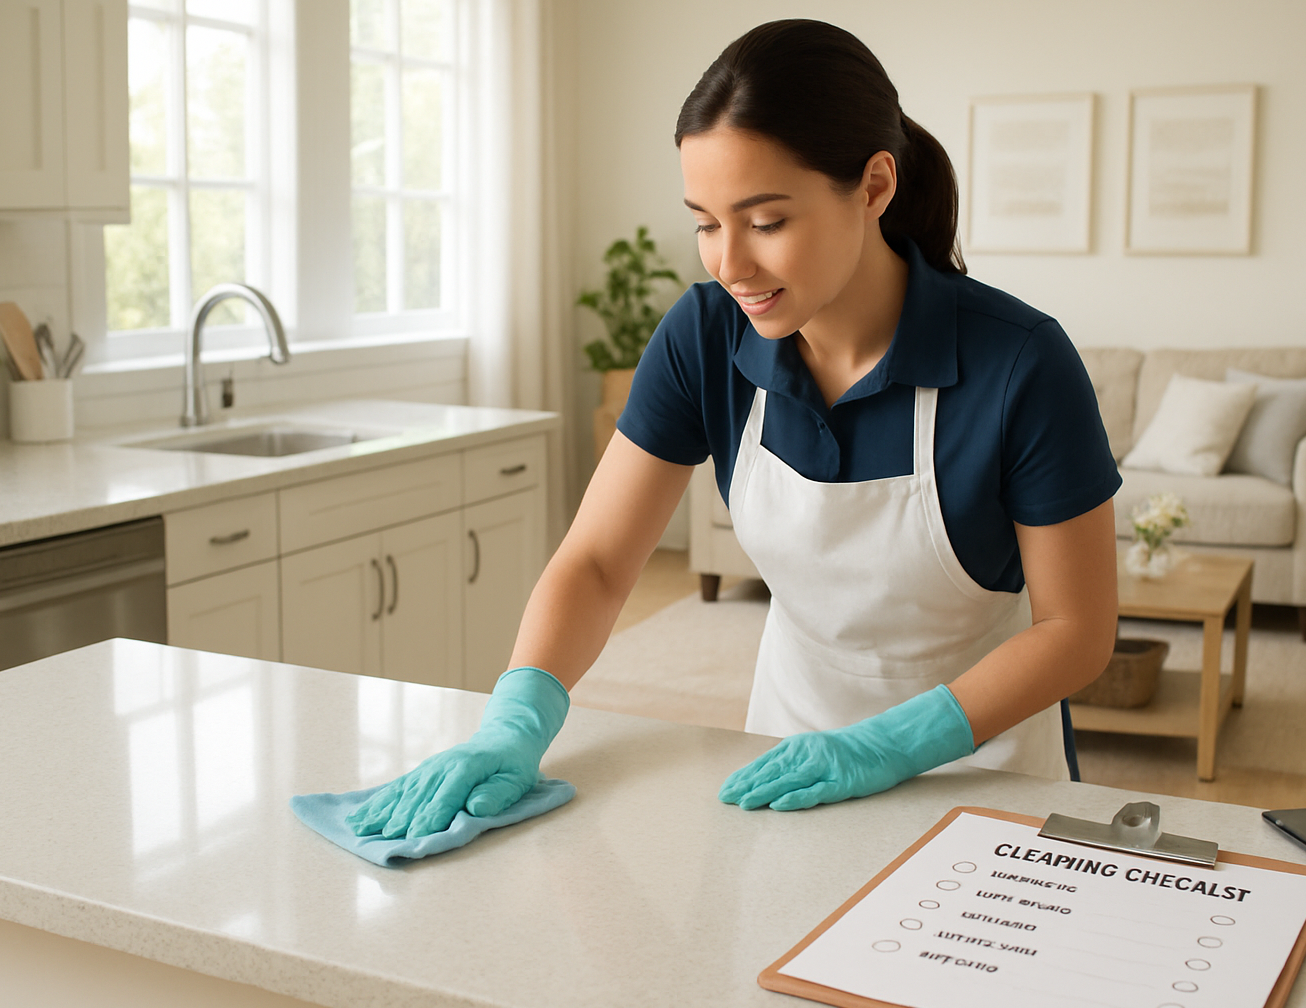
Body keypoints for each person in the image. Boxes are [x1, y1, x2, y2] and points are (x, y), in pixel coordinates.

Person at [346, 19, 1121, 840]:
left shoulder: (1020, 363)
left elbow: (1076, 631)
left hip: (983, 774)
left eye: (766, 222)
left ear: (873, 187)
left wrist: (896, 745)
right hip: (782, 759)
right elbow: (602, 559)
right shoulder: (706, 335)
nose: (729, 266)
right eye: (707, 223)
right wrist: (518, 716)